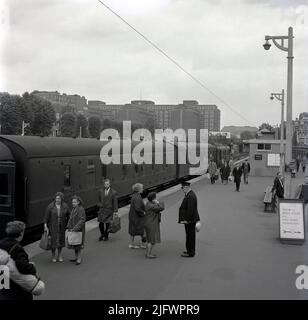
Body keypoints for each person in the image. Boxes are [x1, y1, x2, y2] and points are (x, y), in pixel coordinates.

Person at [0, 221, 37, 300]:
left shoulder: (1, 243)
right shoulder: (17, 248)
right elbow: (23, 266)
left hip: (3, 277)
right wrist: (32, 267)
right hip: (16, 283)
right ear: (21, 233)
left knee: (5, 295)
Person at [44, 192, 70, 262]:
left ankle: (59, 255)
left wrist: (68, 224)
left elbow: (69, 215)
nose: (57, 199)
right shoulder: (50, 206)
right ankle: (53, 256)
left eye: (59, 198)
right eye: (56, 198)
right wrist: (45, 226)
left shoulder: (65, 206)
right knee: (53, 241)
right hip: (52, 227)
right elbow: (46, 217)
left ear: (62, 199)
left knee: (60, 241)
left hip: (62, 227)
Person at [178, 181, 200, 258]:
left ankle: (190, 252)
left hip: (190, 221)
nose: (182, 189)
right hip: (191, 220)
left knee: (190, 236)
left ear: (186, 187)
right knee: (190, 236)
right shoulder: (190, 194)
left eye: (182, 188)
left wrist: (186, 220)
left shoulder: (190, 196)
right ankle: (189, 250)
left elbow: (190, 210)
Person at [144, 192, 165, 259]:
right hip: (152, 224)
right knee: (152, 240)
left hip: (148, 223)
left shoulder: (148, 203)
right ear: (153, 198)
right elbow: (162, 207)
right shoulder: (152, 206)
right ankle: (148, 254)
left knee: (149, 239)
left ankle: (147, 253)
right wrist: (158, 202)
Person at [67, 195, 86, 265]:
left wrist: (75, 228)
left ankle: (79, 259)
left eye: (74, 202)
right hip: (73, 229)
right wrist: (68, 227)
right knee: (75, 244)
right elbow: (70, 219)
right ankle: (76, 257)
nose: (73, 203)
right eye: (72, 202)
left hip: (78, 230)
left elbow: (82, 220)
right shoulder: (73, 209)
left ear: (78, 202)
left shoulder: (81, 209)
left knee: (78, 244)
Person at [128, 183, 147, 249]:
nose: (143, 189)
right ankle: (143, 244)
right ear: (138, 189)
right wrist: (143, 213)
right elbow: (138, 208)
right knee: (143, 230)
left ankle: (131, 244)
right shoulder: (138, 197)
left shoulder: (134, 195)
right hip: (137, 217)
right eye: (142, 188)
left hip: (133, 216)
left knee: (132, 230)